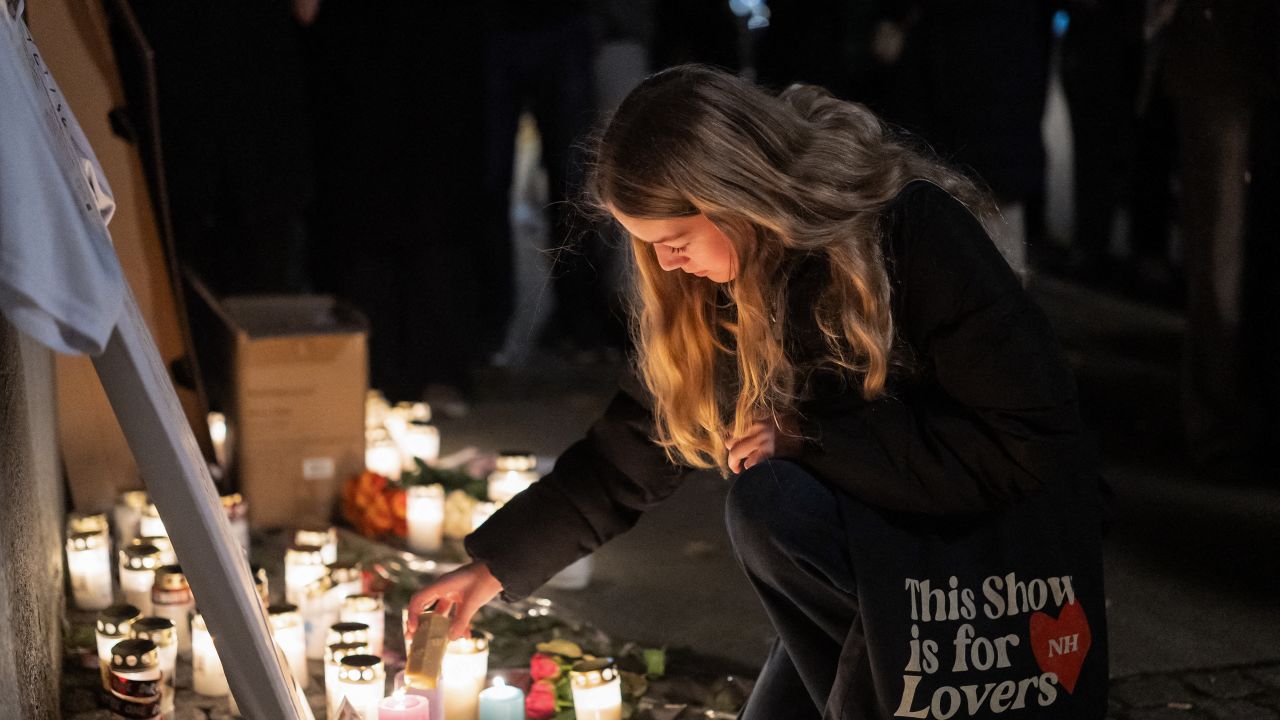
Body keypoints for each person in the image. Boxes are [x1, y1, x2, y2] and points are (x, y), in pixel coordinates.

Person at [410, 65, 1109, 719]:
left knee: (771, 500)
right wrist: (493, 569)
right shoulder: (726, 286)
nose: (664, 262)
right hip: (875, 559)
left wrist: (814, 440)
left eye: (676, 237)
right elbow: (637, 445)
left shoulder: (914, 233)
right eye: (646, 244)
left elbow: (1027, 442)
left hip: (982, 558)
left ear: (735, 197)